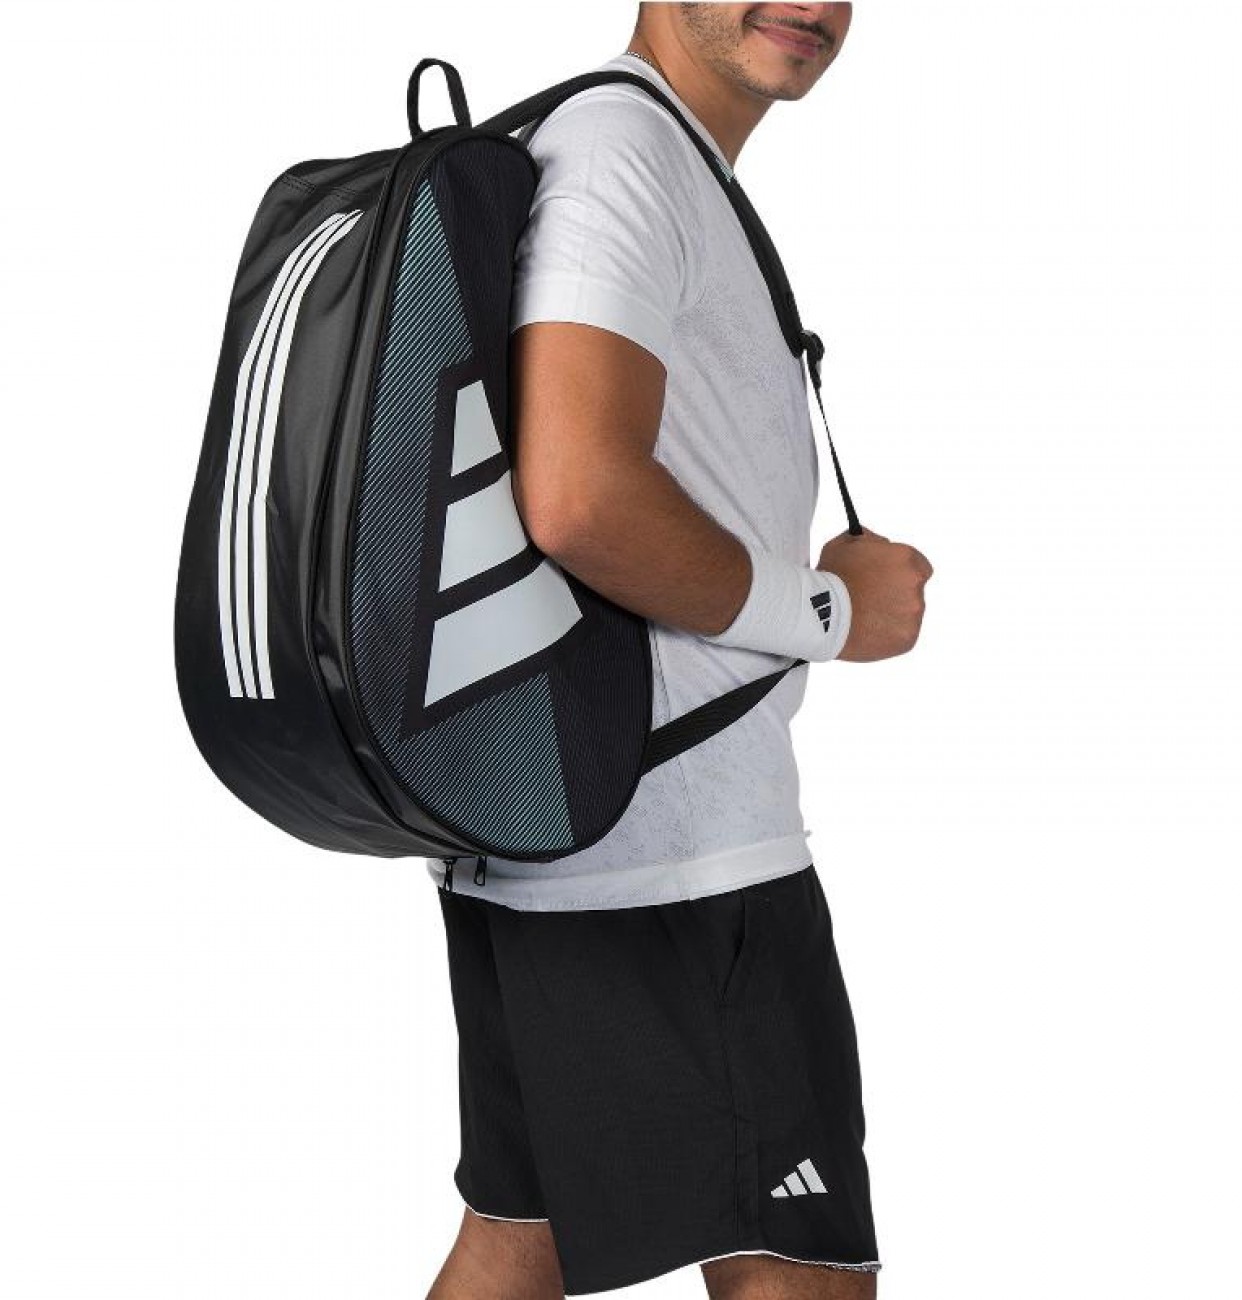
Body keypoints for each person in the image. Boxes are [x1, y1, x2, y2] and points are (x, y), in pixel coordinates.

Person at [425, 5, 932, 1296]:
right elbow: (579, 498)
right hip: (676, 864)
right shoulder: (625, 156)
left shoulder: (621, 148)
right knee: (800, 1269)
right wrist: (829, 612)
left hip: (553, 829)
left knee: (519, 1241)